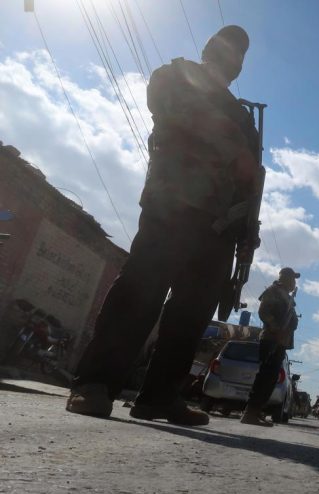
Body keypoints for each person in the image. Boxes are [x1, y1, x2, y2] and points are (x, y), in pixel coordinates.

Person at [66, 26, 260, 426]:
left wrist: (247, 232)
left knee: (191, 313)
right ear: (208, 48)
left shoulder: (243, 116)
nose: (232, 56)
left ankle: (158, 396)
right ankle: (95, 384)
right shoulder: (174, 76)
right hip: (172, 205)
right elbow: (171, 111)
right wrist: (233, 148)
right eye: (228, 46)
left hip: (219, 226)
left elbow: (250, 179)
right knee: (141, 292)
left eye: (240, 52)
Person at [240, 267, 300, 426]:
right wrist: (275, 328)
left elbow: (292, 321)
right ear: (286, 278)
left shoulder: (287, 298)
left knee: (271, 378)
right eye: (292, 279)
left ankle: (257, 410)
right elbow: (263, 312)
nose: (294, 282)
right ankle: (250, 412)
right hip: (271, 339)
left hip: (281, 342)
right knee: (265, 376)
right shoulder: (273, 291)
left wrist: (291, 323)